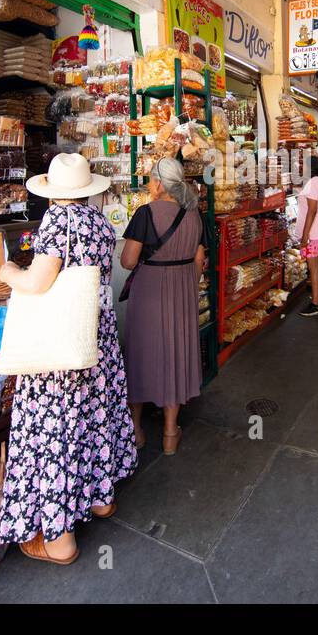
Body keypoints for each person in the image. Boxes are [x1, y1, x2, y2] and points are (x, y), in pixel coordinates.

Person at [0, 154, 138, 565]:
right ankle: (100, 498)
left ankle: (60, 541)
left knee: (56, 428)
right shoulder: (97, 222)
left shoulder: (59, 222)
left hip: (62, 347)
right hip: (96, 336)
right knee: (94, 416)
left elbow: (38, 282)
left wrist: (7, 272)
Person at [119, 157, 206, 456]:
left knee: (142, 352)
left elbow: (128, 261)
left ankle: (136, 430)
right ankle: (170, 432)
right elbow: (199, 259)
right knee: (176, 353)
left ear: (158, 183)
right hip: (182, 291)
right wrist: (184, 282)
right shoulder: (193, 213)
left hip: (150, 292)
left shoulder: (145, 213)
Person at [295, 154, 318, 316]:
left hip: (314, 232)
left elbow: (312, 210)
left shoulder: (312, 183)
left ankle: (316, 304)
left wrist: (304, 236)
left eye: (304, 165)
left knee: (313, 267)